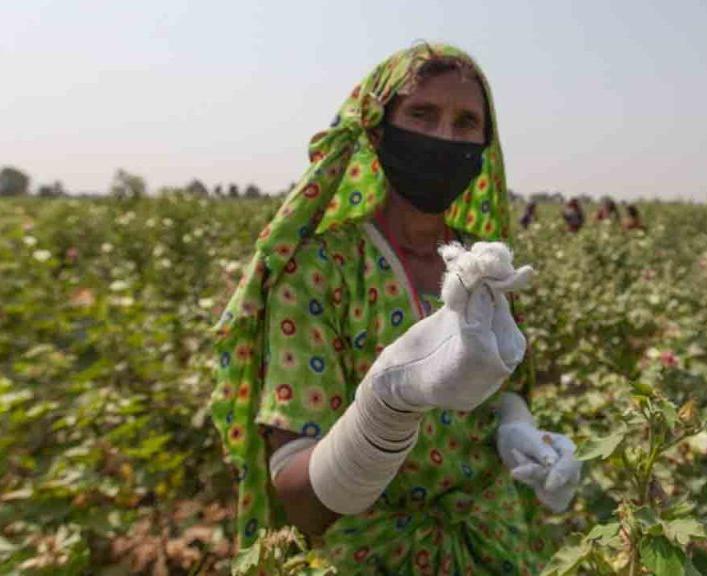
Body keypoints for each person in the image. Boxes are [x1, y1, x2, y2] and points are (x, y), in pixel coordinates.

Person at [210, 43, 581, 574]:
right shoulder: (321, 269)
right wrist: (387, 406)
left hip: (491, 540)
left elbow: (503, 394)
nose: (444, 138)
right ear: (379, 132)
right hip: (370, 555)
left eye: (466, 122)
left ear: (484, 145)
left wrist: (518, 431)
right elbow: (300, 497)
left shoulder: (484, 266)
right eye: (423, 114)